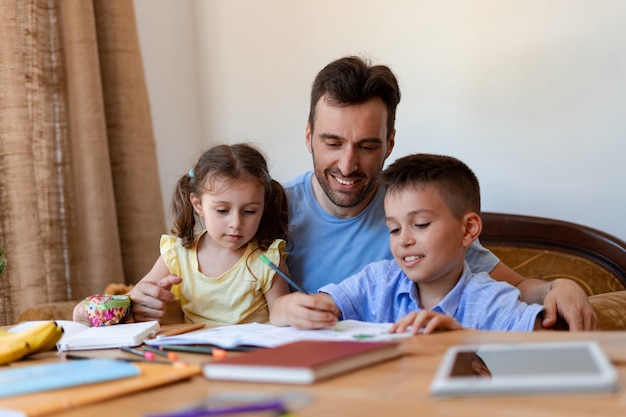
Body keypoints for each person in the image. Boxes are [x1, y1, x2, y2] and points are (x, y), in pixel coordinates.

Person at [282, 55, 597, 330]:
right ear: (309, 136)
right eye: (332, 143)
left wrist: (560, 286)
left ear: (389, 144)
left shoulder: (416, 208)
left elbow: (515, 289)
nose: (348, 165)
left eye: (367, 146)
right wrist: (284, 308)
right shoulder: (261, 210)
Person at [270, 153, 546, 333]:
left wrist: (465, 342)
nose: (404, 240)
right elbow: (289, 312)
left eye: (421, 225)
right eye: (393, 229)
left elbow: (558, 347)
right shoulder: (377, 282)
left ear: (468, 229)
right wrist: (291, 308)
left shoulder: (491, 301)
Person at [73, 143, 291, 325]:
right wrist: (83, 312)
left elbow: (281, 317)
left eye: (250, 211)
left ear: (264, 206)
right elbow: (131, 301)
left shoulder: (267, 259)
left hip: (252, 361)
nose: (236, 223)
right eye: (222, 210)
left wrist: (293, 308)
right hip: (194, 360)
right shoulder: (178, 254)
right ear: (197, 204)